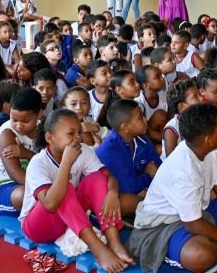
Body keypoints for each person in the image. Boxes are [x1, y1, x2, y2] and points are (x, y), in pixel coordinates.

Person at [128, 103, 217, 273]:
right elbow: (192, 224)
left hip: (197, 212)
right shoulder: (183, 169)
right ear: (208, 139)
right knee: (201, 256)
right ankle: (205, 245)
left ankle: (213, 241)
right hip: (167, 223)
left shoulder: (206, 149)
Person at [20, 109, 134, 273]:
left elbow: (108, 177)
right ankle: (98, 249)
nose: (78, 138)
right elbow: (51, 204)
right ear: (49, 138)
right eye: (70, 134)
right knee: (64, 188)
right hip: (38, 226)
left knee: (97, 179)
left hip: (69, 219)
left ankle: (114, 242)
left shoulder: (84, 150)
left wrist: (112, 193)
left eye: (79, 132)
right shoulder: (38, 163)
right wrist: (66, 162)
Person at [97, 99, 162, 216]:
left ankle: (152, 205)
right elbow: (128, 187)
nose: (146, 120)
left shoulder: (142, 139)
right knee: (126, 202)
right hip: (116, 195)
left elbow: (157, 166)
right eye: (140, 117)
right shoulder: (109, 150)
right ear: (125, 127)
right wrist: (147, 175)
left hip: (142, 191)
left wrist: (147, 189)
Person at [0, 87, 41, 217]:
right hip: (5, 187)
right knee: (24, 195)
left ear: (39, 114)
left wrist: (26, 153)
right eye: (14, 119)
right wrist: (45, 191)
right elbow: (15, 175)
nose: (18, 126)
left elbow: (52, 161)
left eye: (26, 121)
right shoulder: (7, 134)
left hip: (37, 181)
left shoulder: (45, 130)